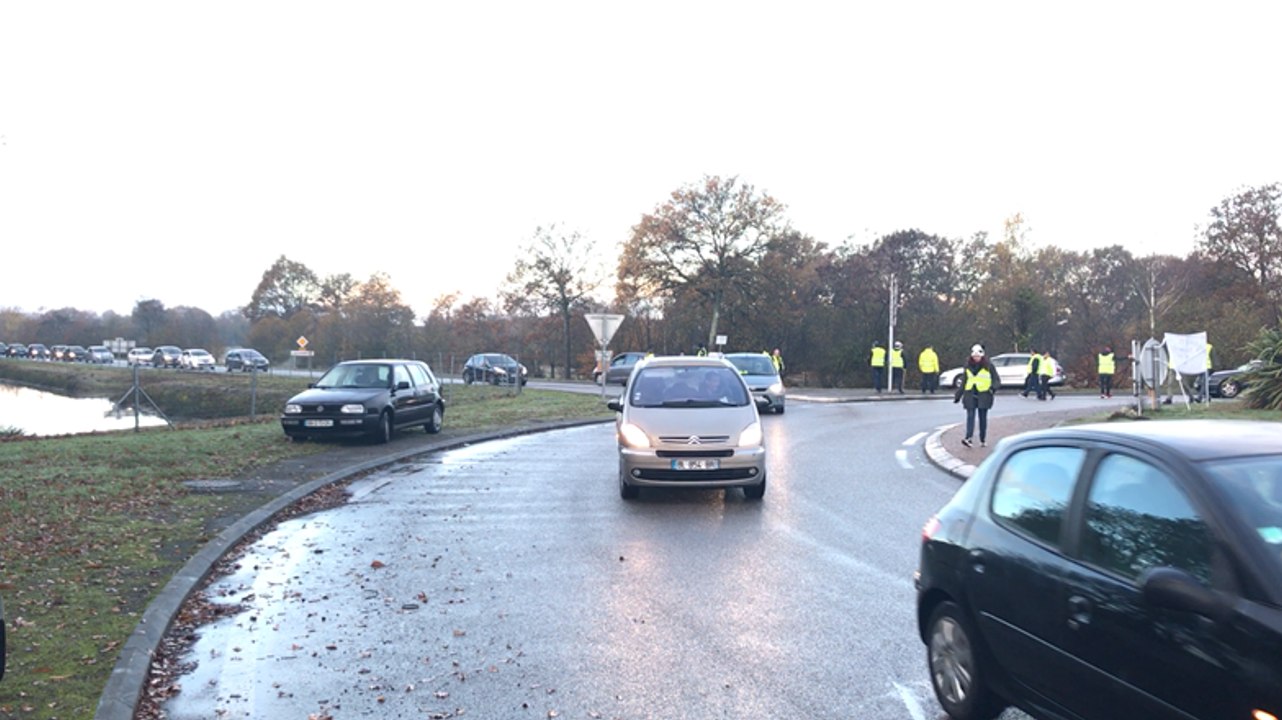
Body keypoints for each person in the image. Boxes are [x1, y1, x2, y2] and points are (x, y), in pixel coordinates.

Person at [954, 344, 997, 447]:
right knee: (970, 417)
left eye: (978, 356)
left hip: (984, 395)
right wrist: (958, 395)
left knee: (983, 418)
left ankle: (982, 439)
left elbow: (996, 380)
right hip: (970, 394)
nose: (976, 358)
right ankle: (968, 438)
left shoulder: (989, 366)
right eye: (974, 356)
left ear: (982, 355)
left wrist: (992, 389)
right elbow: (964, 381)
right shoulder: (967, 366)